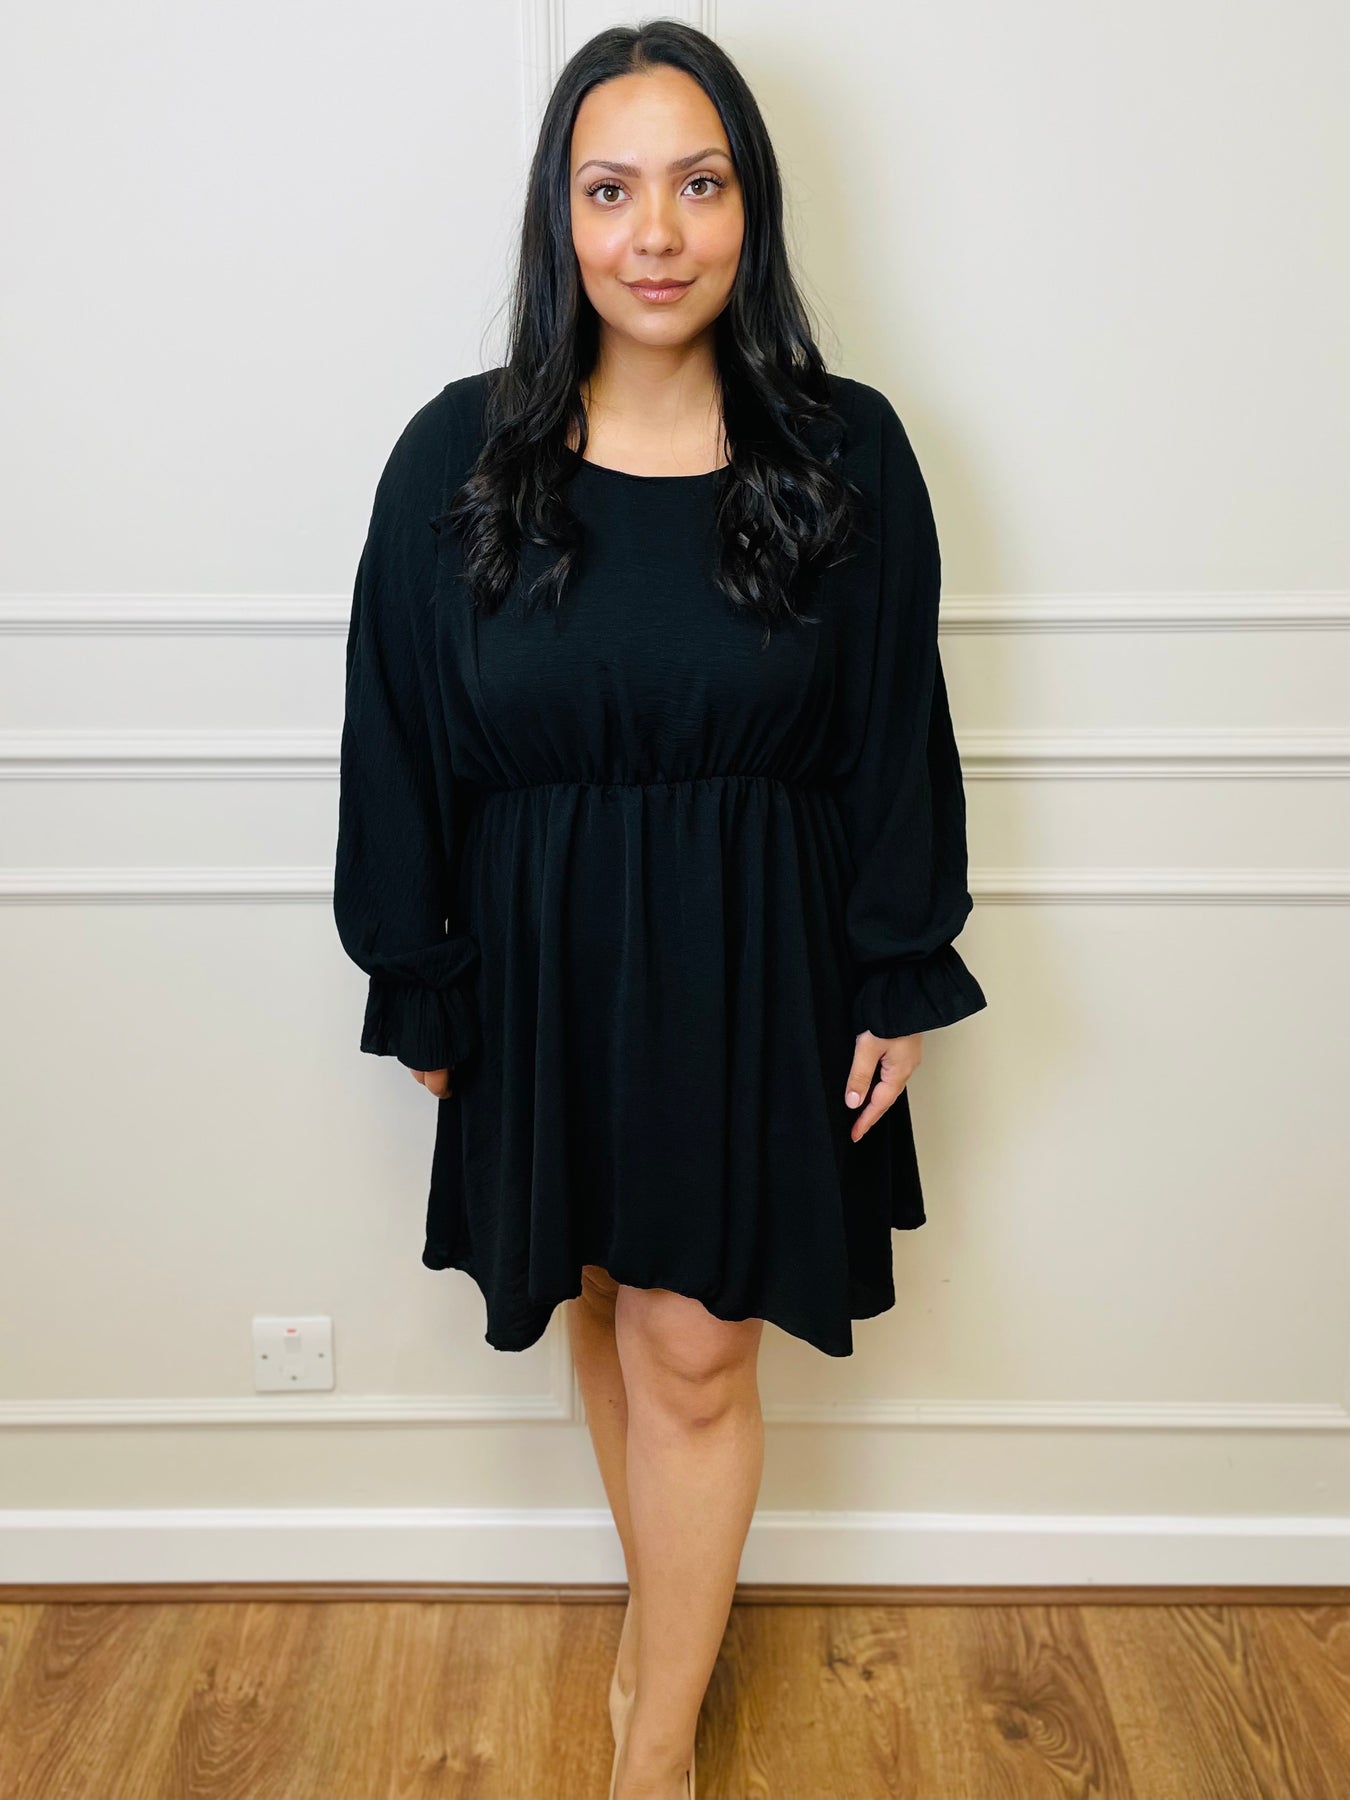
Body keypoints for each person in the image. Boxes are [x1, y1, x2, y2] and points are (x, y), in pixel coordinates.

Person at [333, 20, 987, 1800]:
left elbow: (893, 724)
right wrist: (419, 973)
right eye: (610, 190)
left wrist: (896, 963)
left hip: (753, 946)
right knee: (608, 1296)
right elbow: (395, 727)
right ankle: (664, 1623)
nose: (655, 233)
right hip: (535, 945)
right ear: (560, 218)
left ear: (748, 206)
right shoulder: (459, 454)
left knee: (695, 1347)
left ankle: (653, 1744)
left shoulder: (844, 448)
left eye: (697, 185)